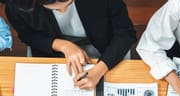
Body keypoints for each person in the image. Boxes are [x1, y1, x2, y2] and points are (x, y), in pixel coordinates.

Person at [5, 0, 136, 89]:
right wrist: (63, 46)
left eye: (69, 3)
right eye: (55, 8)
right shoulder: (17, 5)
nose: (63, 11)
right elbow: (27, 35)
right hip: (51, 49)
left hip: (104, 45)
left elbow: (126, 33)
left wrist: (98, 70)